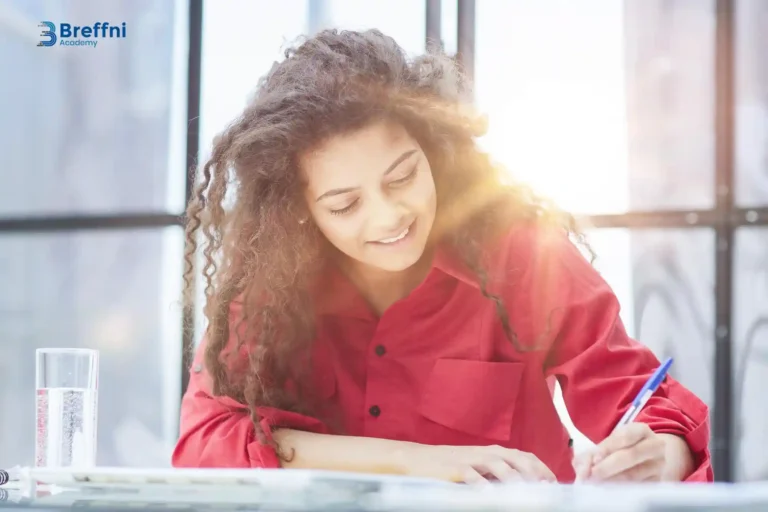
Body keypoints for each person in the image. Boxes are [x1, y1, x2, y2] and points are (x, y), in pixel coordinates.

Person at [172, 29, 712, 484]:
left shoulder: (521, 252)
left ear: (434, 150)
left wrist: (660, 454)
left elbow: (655, 410)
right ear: (300, 211)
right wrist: (417, 462)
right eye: (345, 204)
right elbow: (207, 443)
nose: (388, 217)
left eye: (403, 176)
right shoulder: (274, 284)